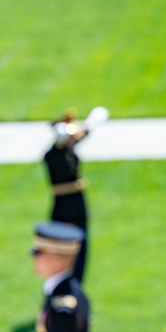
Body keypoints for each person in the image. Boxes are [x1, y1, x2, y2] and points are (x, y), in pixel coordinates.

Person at [31, 221, 101, 332]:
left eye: (39, 254)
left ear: (55, 261)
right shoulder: (70, 290)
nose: (34, 259)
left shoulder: (63, 309)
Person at [43, 107, 107, 283]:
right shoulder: (53, 157)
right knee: (64, 259)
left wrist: (91, 124)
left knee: (79, 260)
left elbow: (79, 136)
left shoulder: (65, 150)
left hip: (76, 210)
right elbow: (73, 139)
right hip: (66, 211)